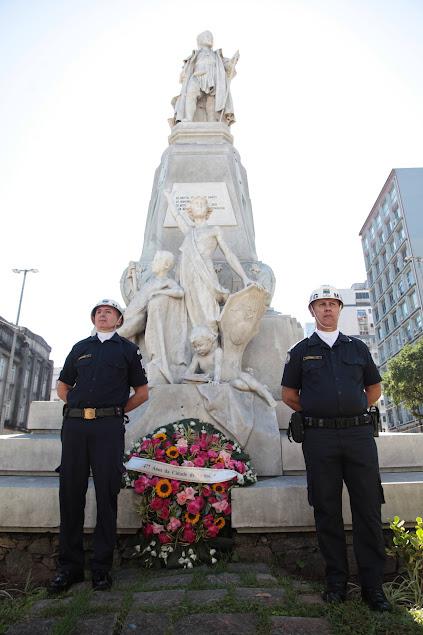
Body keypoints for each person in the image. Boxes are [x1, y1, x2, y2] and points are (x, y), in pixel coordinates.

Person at [281, 285, 391, 612]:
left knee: (368, 511)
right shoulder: (301, 350)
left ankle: (374, 588)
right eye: (321, 304)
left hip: (358, 437)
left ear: (339, 309)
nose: (327, 309)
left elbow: (374, 388)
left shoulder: (357, 347)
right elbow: (289, 394)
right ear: (312, 310)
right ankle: (336, 583)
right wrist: (319, 413)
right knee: (327, 510)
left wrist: (353, 411)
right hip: (320, 439)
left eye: (332, 304)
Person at [48, 299, 148, 593]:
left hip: (108, 428)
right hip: (76, 427)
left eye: (109, 312)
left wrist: (115, 412)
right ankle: (70, 568)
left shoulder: (128, 350)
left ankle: (102, 569)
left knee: (106, 494)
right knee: (70, 494)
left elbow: (142, 393)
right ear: (94, 319)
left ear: (119, 320)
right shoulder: (80, 348)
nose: (103, 315)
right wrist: (79, 406)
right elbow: (63, 385)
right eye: (98, 312)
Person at [164, 191, 253, 335]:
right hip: (187, 275)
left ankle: (211, 342)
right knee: (191, 310)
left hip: (205, 274)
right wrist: (169, 200)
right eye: (195, 204)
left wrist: (245, 277)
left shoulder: (214, 230)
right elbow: (177, 217)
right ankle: (197, 342)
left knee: (208, 311)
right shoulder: (189, 231)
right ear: (190, 211)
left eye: (202, 204)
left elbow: (229, 254)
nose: (199, 205)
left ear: (208, 209)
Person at [118, 251, 187, 384]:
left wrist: (160, 292)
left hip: (138, 319)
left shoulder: (166, 281)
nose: (152, 264)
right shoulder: (150, 283)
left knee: (116, 336)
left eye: (156, 261)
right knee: (115, 336)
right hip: (130, 315)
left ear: (166, 265)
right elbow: (139, 298)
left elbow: (179, 292)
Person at [173, 30, 238, 124]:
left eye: (211, 36)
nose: (210, 38)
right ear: (199, 40)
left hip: (213, 79)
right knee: (191, 93)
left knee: (211, 100)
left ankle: (211, 120)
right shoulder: (195, 55)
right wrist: (183, 74)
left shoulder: (217, 55)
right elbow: (186, 69)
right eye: (207, 36)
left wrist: (232, 63)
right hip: (197, 76)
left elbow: (228, 68)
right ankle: (188, 118)